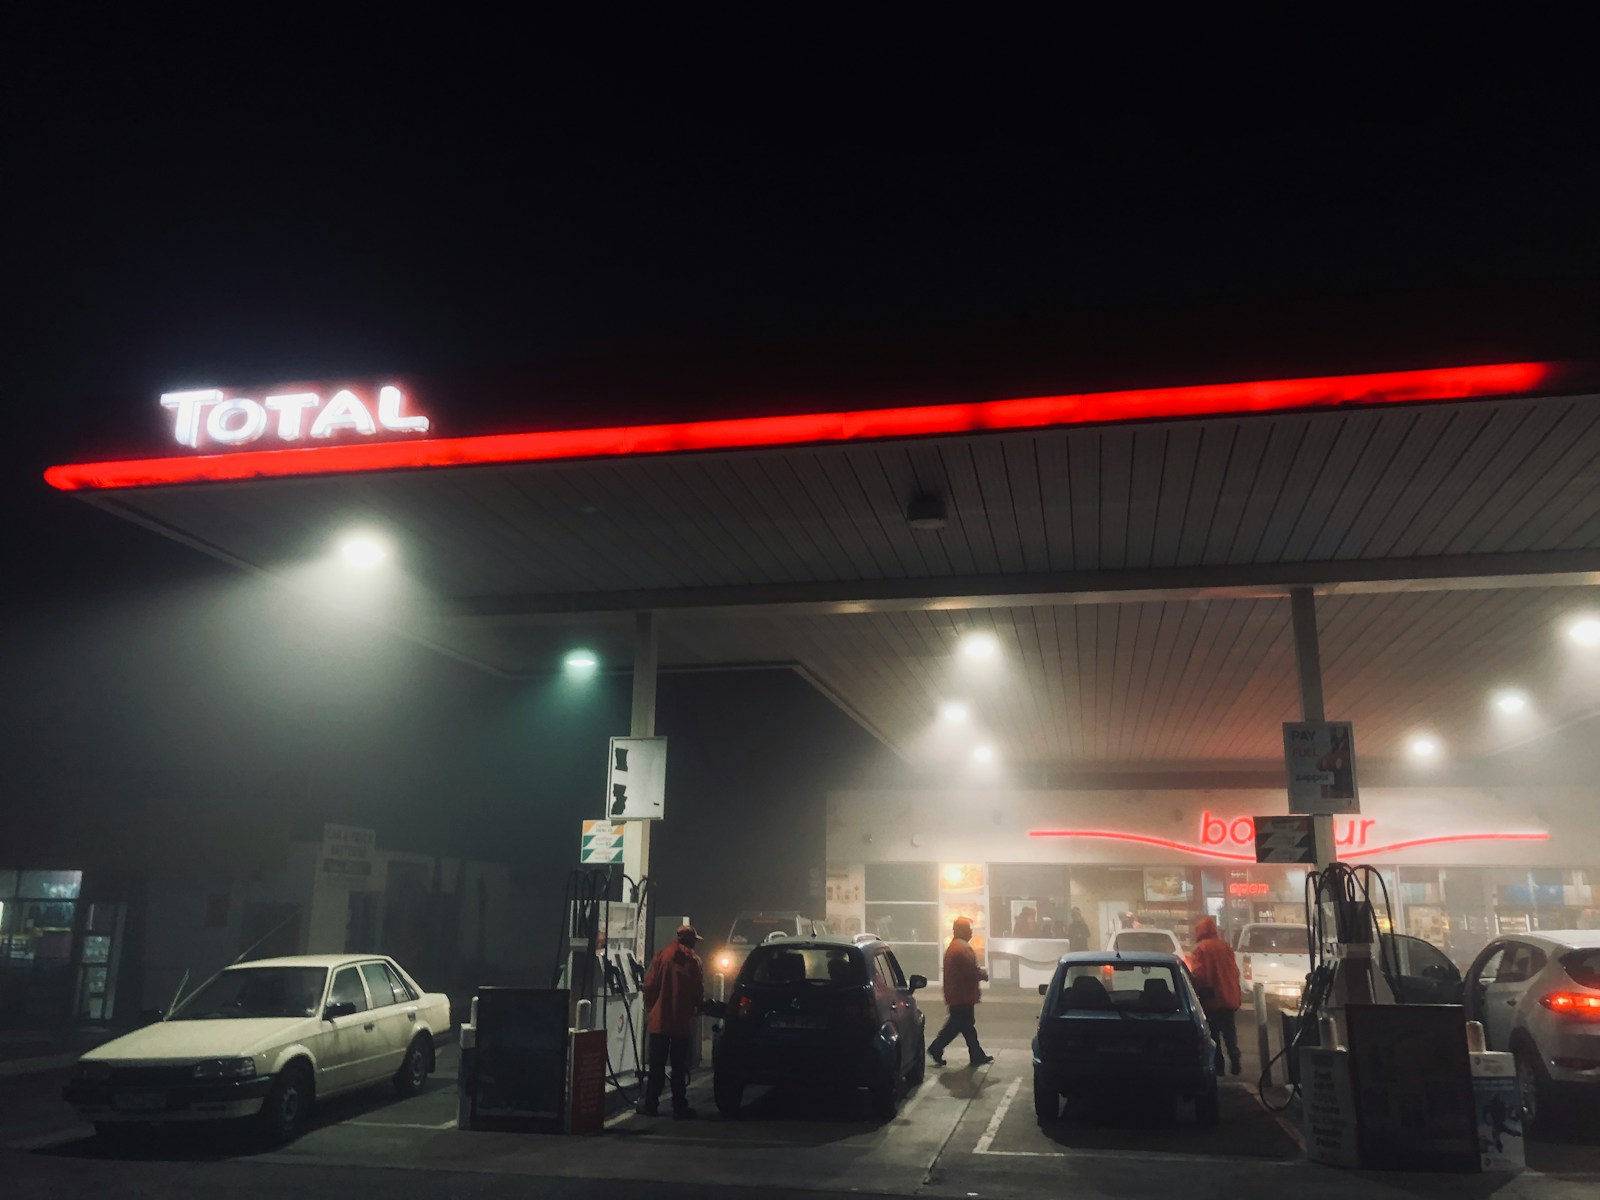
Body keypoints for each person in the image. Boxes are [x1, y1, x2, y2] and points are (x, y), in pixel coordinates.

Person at [640, 924, 707, 1117]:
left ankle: (651, 1104)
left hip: (658, 1021)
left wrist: (652, 1008)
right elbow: (697, 991)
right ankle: (679, 1106)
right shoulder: (694, 961)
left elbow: (649, 985)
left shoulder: (661, 956)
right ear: (691, 941)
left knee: (656, 1066)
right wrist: (698, 1005)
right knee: (678, 1066)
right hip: (680, 1022)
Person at [928, 917, 993, 1068]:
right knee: (959, 1025)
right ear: (962, 930)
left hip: (957, 994)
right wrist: (983, 975)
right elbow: (970, 971)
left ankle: (976, 1054)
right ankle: (937, 1047)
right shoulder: (962, 948)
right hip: (962, 994)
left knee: (965, 1026)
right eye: (969, 929)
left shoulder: (955, 946)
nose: (971, 932)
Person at [1186, 915, 1242, 1076]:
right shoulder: (1225, 947)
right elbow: (1234, 971)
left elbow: (1199, 973)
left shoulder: (1200, 949)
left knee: (1214, 1034)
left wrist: (1198, 990)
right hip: (1228, 996)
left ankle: (1219, 1066)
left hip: (1211, 998)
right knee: (1230, 1033)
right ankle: (1235, 1058)